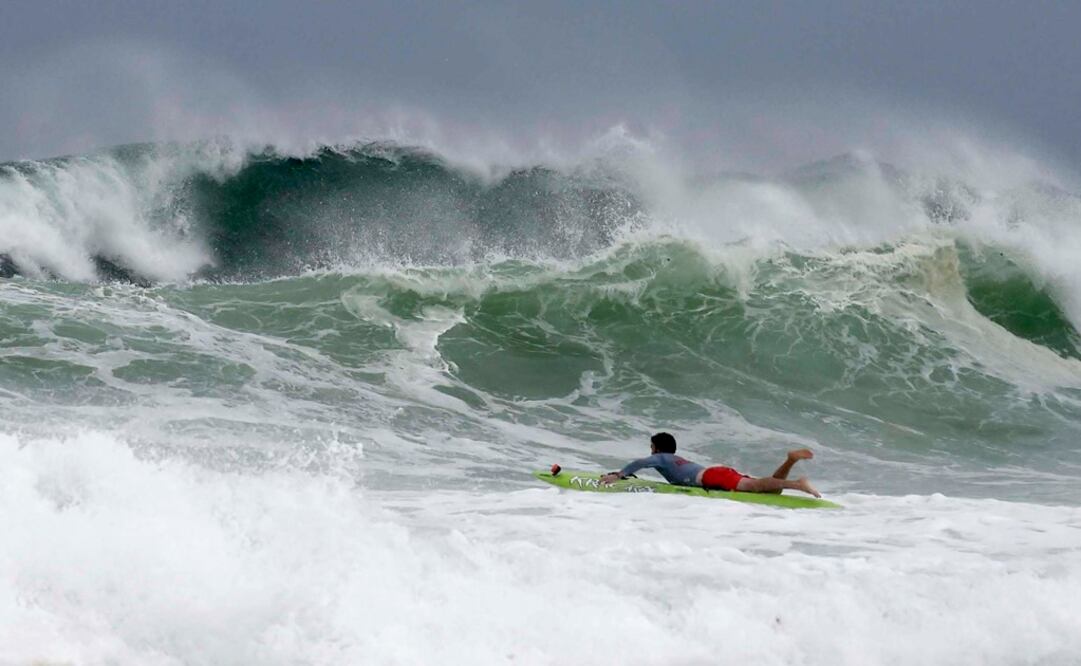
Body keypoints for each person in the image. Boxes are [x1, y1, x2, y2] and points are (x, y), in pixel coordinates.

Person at [600, 432, 821, 498]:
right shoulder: (675, 459)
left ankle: (799, 484)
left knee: (759, 487)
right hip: (716, 472)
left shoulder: (662, 458)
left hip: (711, 477)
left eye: (651, 447)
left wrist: (618, 475)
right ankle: (790, 460)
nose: (651, 451)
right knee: (772, 489)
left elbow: (641, 463)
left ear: (657, 448)